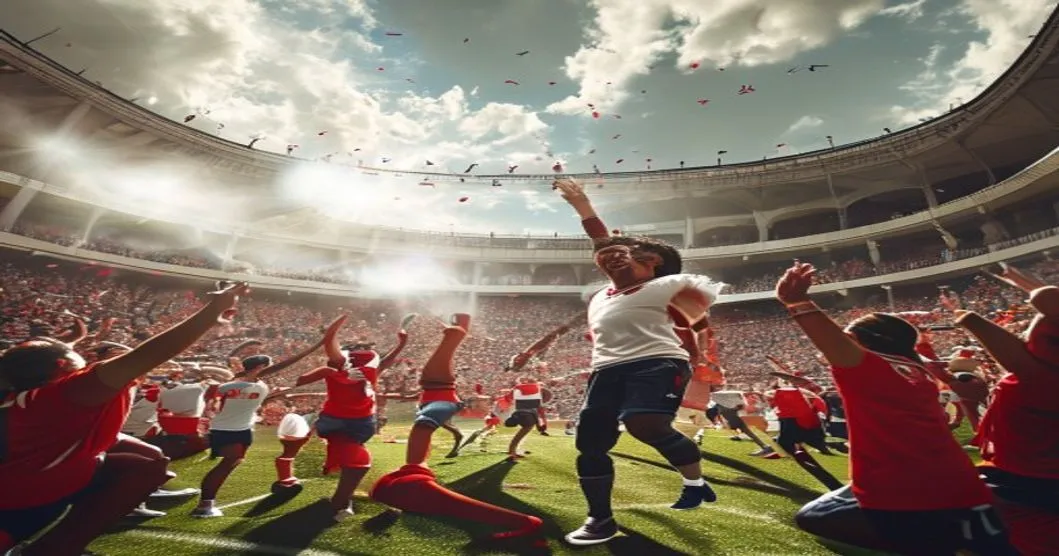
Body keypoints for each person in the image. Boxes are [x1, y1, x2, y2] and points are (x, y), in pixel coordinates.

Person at [776, 262, 1016, 555]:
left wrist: (796, 301)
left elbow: (832, 342)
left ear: (862, 343)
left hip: (905, 496)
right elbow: (919, 349)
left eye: (849, 337)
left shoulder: (867, 367)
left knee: (813, 517)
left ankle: (928, 539)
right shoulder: (918, 371)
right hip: (960, 485)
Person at [0, 282, 249, 555]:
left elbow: (53, 353)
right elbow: (149, 354)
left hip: (44, 483)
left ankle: (58, 547)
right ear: (61, 366)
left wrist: (76, 336)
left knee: (149, 464)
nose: (87, 360)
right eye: (79, 357)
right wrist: (214, 310)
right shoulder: (67, 393)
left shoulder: (31, 392)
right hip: (24, 501)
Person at [553, 178, 721, 546]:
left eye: (628, 250)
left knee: (643, 423)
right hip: (606, 370)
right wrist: (581, 206)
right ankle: (600, 518)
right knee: (590, 443)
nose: (613, 252)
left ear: (653, 261)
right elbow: (603, 244)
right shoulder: (600, 296)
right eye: (609, 251)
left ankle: (694, 480)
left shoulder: (669, 285)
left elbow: (697, 321)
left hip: (658, 363)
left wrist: (695, 353)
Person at [370, 314, 544, 540]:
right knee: (428, 402)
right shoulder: (408, 483)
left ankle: (456, 333)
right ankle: (456, 332)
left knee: (424, 421)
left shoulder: (408, 483)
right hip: (436, 398)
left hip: (439, 401)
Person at [954, 263, 1059, 554]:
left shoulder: (1040, 376)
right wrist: (1020, 280)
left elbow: (1046, 298)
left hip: (1023, 479)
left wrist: (970, 318)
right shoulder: (1040, 373)